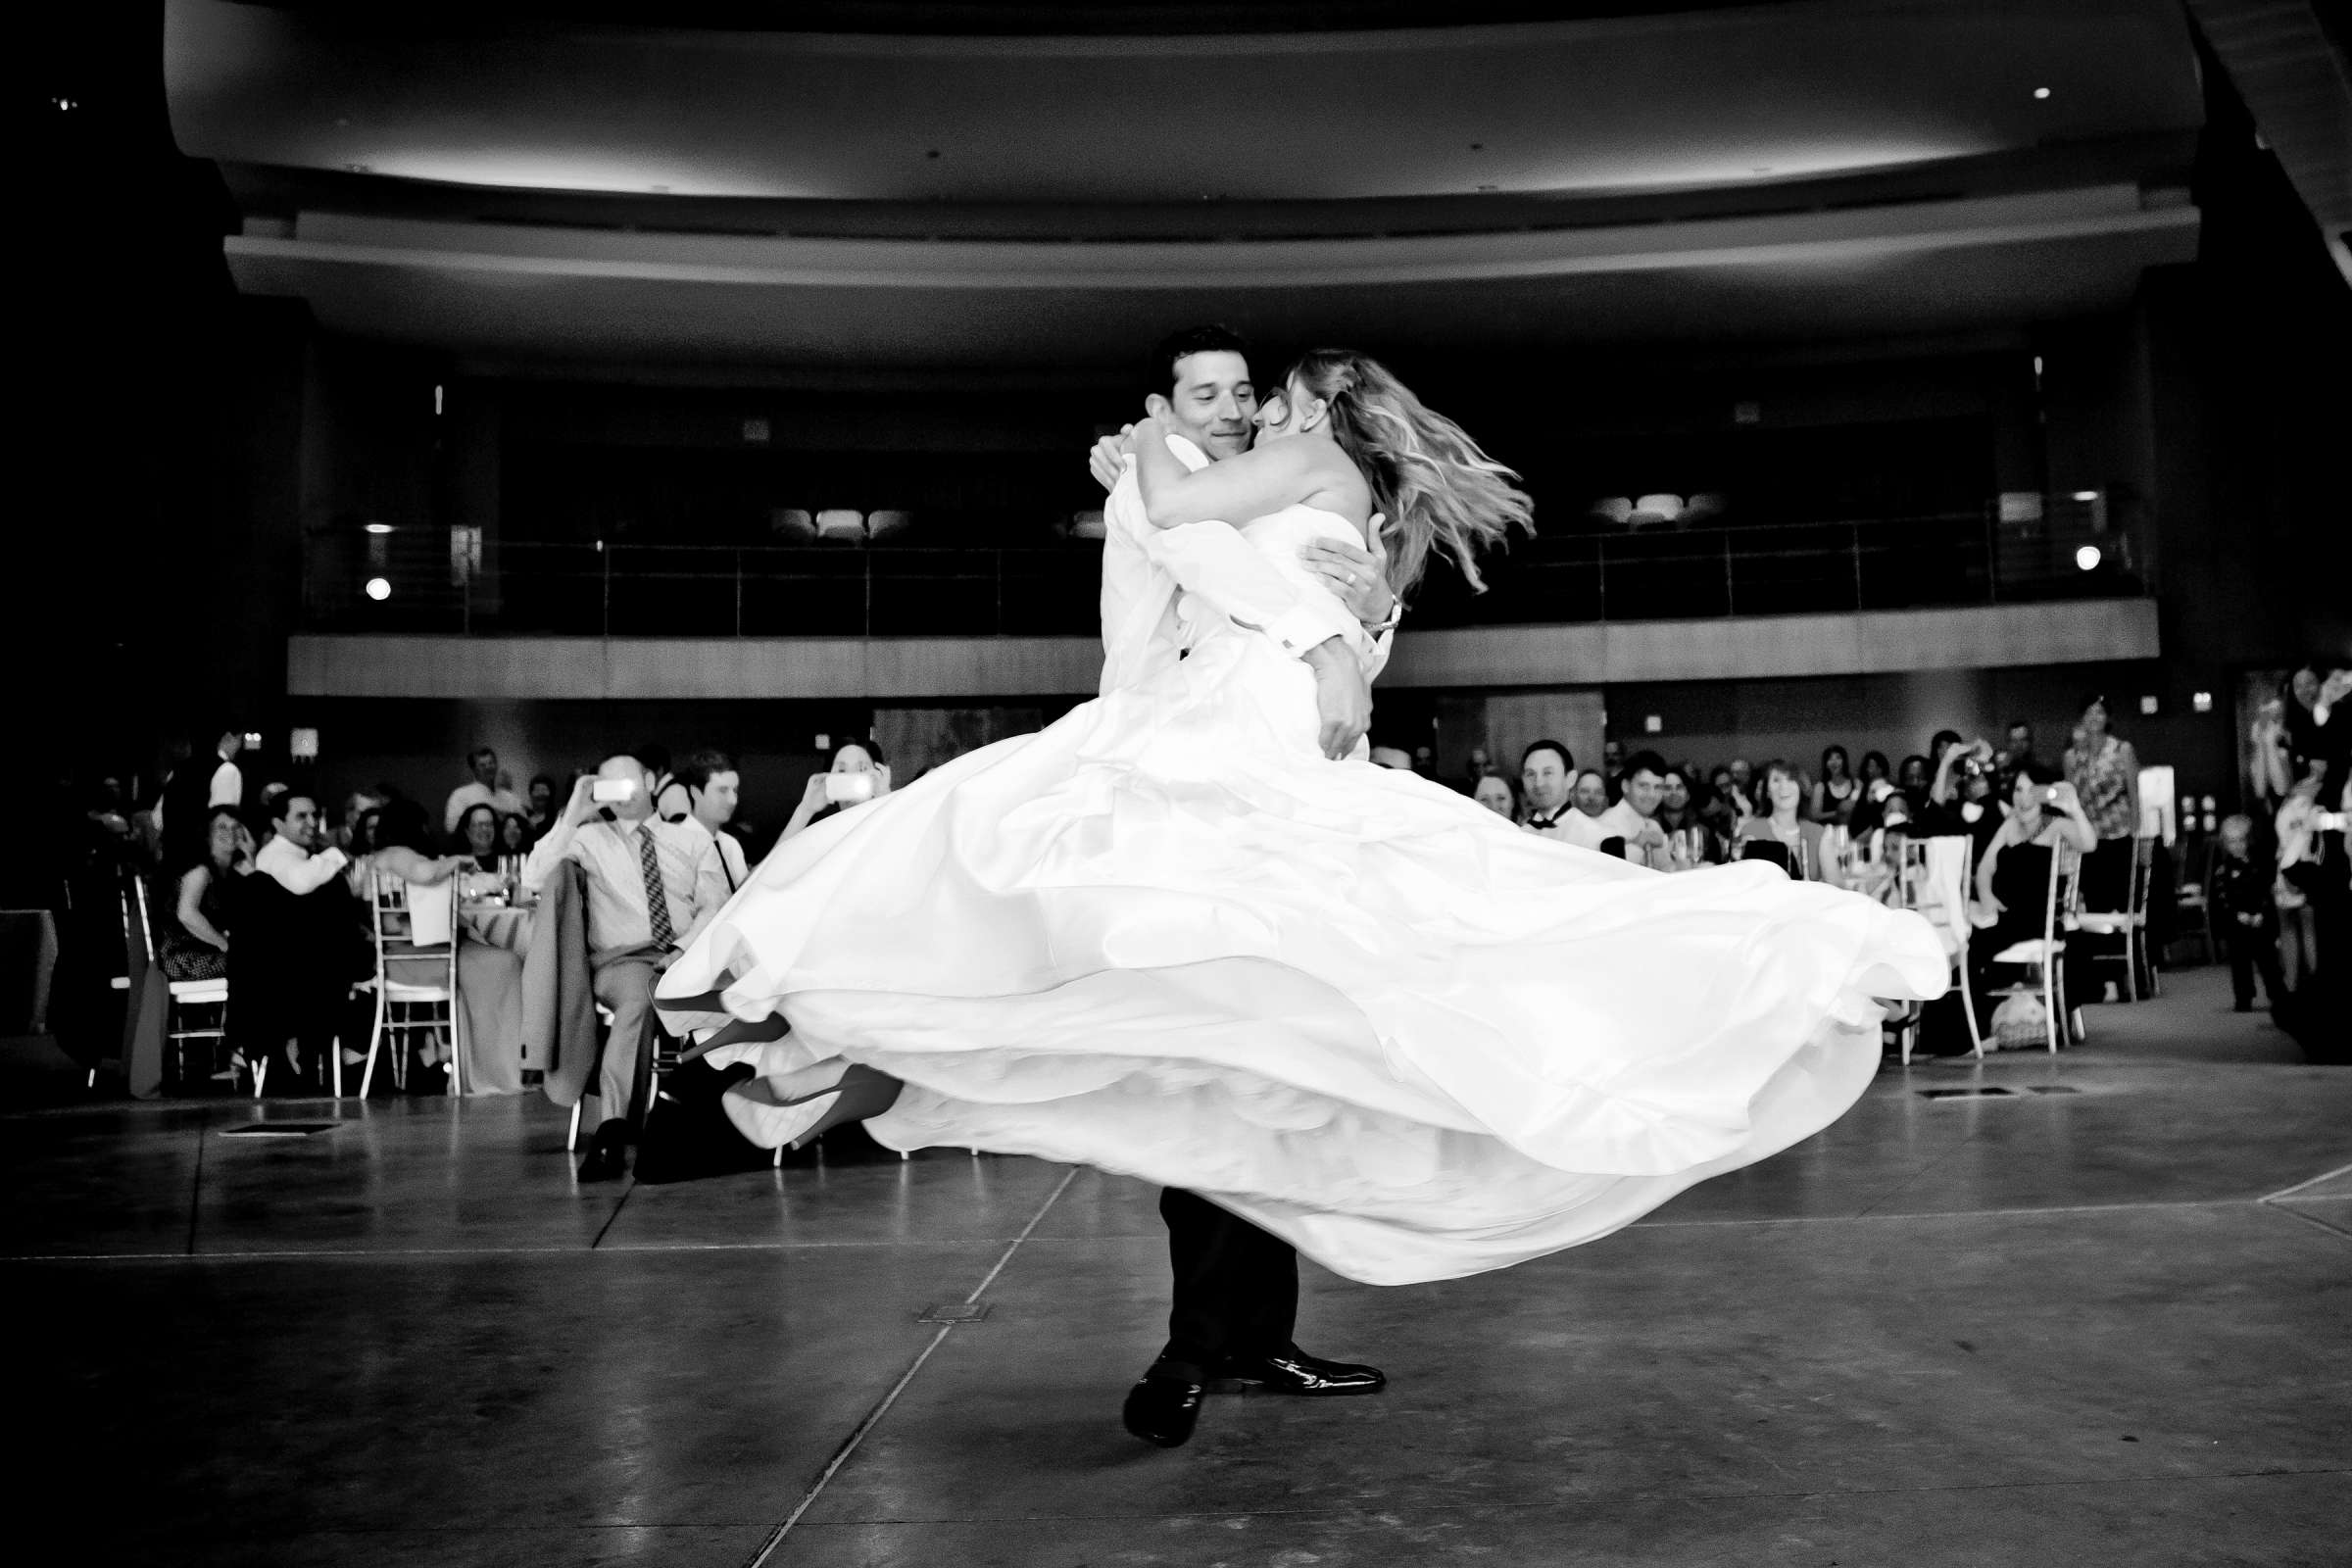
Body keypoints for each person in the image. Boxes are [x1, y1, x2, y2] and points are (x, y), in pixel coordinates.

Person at [654, 343, 1944, 1456]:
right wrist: (1217, 550)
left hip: (1237, 745)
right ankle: (1207, 1333)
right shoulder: (1367, 510)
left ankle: (1198, 1334)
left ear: (1325, 406)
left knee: (1217, 1000)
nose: (1255, 407)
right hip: (1251, 742)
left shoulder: (1294, 471)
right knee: (1246, 1019)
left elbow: (1180, 519)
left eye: (1267, 392)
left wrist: (1145, 457)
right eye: (1225, 393)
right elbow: (1201, 563)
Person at [524, 754, 730, 1179]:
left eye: (625, 784)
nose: (617, 795)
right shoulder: (588, 838)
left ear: (650, 781)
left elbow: (717, 904)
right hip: (621, 962)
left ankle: (717, 1125)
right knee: (639, 999)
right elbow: (534, 877)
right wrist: (572, 816)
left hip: (686, 956)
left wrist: (682, 947)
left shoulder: (692, 840)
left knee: (741, 994)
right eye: (607, 787)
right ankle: (613, 1130)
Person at [1971, 763, 2099, 1042]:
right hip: (2009, 915)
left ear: (2044, 794)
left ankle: (1980, 1028)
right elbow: (1984, 869)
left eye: (2032, 790)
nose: (2023, 797)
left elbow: (2089, 844)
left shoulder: (2057, 825)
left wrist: (2074, 808)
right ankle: (1986, 1024)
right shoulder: (2009, 826)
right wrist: (1987, 898)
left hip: (2041, 917)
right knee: (1969, 940)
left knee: (1973, 946)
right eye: (2018, 789)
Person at [2063, 695, 2142, 994]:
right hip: (2088, 839)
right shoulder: (2072, 755)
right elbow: (2069, 797)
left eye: (2099, 713)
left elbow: (2135, 794)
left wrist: (2136, 831)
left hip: (2120, 834)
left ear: (2107, 718)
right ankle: (2101, 979)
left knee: (2122, 908)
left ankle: (2128, 977)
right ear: (2081, 718)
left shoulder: (2122, 749)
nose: (2094, 717)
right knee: (2094, 908)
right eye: (2088, 712)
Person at [158, 807, 249, 983]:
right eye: (222, 827)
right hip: (184, 957)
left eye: (236, 826)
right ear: (208, 834)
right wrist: (223, 944)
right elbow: (186, 914)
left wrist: (249, 851)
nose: (230, 832)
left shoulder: (231, 872)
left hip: (206, 953)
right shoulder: (201, 871)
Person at [2212, 814, 2286, 1013]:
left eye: (2241, 841)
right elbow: (2222, 896)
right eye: (2232, 842)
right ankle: (2243, 997)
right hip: (2237, 923)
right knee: (2240, 963)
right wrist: (2237, 914)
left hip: (2260, 921)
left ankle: (2278, 994)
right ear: (2225, 844)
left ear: (2249, 840)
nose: (2237, 846)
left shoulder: (2260, 865)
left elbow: (2267, 891)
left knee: (2268, 961)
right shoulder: (2223, 869)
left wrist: (2261, 913)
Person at [158, 724, 245, 869]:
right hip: (202, 864)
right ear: (228, 737)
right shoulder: (228, 770)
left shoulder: (180, 769)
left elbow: (157, 820)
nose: (240, 746)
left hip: (172, 861)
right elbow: (224, 827)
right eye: (240, 740)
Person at [778, 739, 894, 847]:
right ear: (829, 778)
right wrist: (805, 809)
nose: (850, 777)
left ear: (878, 775)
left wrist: (886, 800)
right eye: (842, 770)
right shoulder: (819, 836)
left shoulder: (888, 826)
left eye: (862, 769)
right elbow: (770, 867)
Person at [1735, 760, 1836, 883]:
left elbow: (1836, 885)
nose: (1784, 786)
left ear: (1800, 787)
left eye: (1791, 779)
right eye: (1776, 780)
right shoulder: (1752, 832)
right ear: (1767, 791)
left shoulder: (1818, 832)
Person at [677, 747, 750, 891]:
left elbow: (745, 898)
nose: (732, 800)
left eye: (734, 791)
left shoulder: (730, 845)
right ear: (696, 792)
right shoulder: (677, 845)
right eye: (722, 790)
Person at [1597, 751, 1672, 870]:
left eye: (1658, 787)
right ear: (1625, 786)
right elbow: (1608, 874)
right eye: (1644, 786)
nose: (1652, 795)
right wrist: (1638, 844)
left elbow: (1666, 870)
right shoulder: (1607, 825)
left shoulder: (1652, 825)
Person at [443, 747, 525, 836]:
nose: (488, 767)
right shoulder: (460, 795)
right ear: (474, 770)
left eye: (491, 763)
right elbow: (451, 827)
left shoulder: (510, 798)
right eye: (482, 765)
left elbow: (525, 824)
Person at [1654, 766, 1720, 867]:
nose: (1674, 793)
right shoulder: (1650, 827)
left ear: (1688, 794)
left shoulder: (1703, 829)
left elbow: (1716, 867)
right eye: (1667, 788)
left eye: (1679, 787)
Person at [1516, 740, 1575, 833]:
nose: (1538, 783)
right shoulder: (1518, 835)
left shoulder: (1595, 837)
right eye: (1530, 774)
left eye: (1548, 773)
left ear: (1570, 779)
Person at [1810, 746, 1859, 826]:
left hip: (1853, 831)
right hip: (1827, 831)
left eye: (1838, 758)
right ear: (1826, 764)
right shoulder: (1820, 787)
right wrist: (1839, 812)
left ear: (1844, 761)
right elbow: (1815, 816)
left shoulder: (1856, 783)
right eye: (1830, 759)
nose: (1834, 762)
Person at [453, 803, 502, 872]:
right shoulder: (457, 863)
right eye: (479, 825)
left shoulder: (506, 861)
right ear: (467, 831)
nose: (485, 829)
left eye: (489, 824)